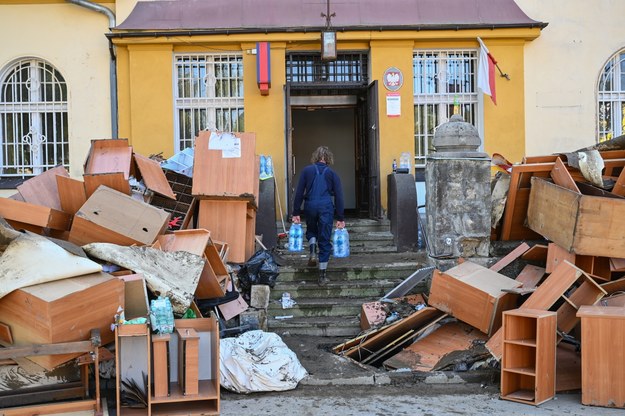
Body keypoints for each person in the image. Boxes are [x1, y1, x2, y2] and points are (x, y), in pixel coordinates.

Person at [291, 146, 345, 286]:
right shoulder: (333, 174)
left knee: (311, 230)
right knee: (325, 239)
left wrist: (296, 212)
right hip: (326, 207)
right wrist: (340, 217)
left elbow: (299, 193)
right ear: (328, 158)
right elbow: (339, 197)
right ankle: (322, 276)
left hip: (310, 205)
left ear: (316, 157)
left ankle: (313, 250)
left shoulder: (306, 171)